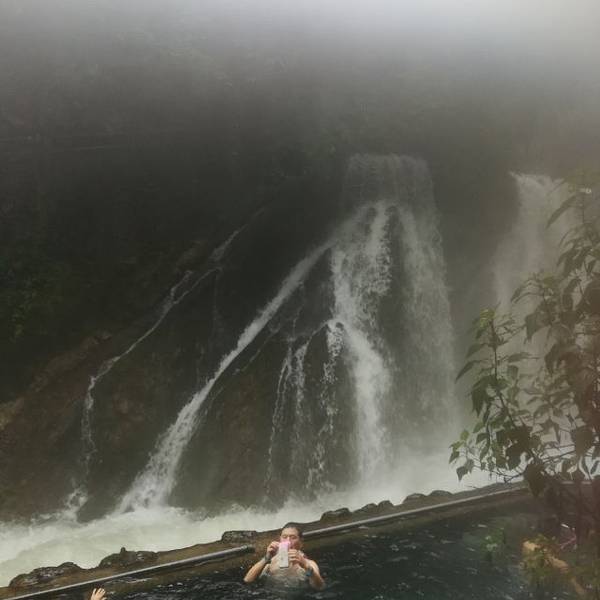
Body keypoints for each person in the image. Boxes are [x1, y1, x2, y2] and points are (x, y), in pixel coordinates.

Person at [243, 523, 324, 590]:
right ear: (280, 539)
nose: (288, 541)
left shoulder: (308, 563)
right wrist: (266, 558)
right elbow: (247, 580)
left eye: (293, 538)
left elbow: (320, 587)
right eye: (284, 537)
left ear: (301, 542)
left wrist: (306, 566)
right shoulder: (272, 561)